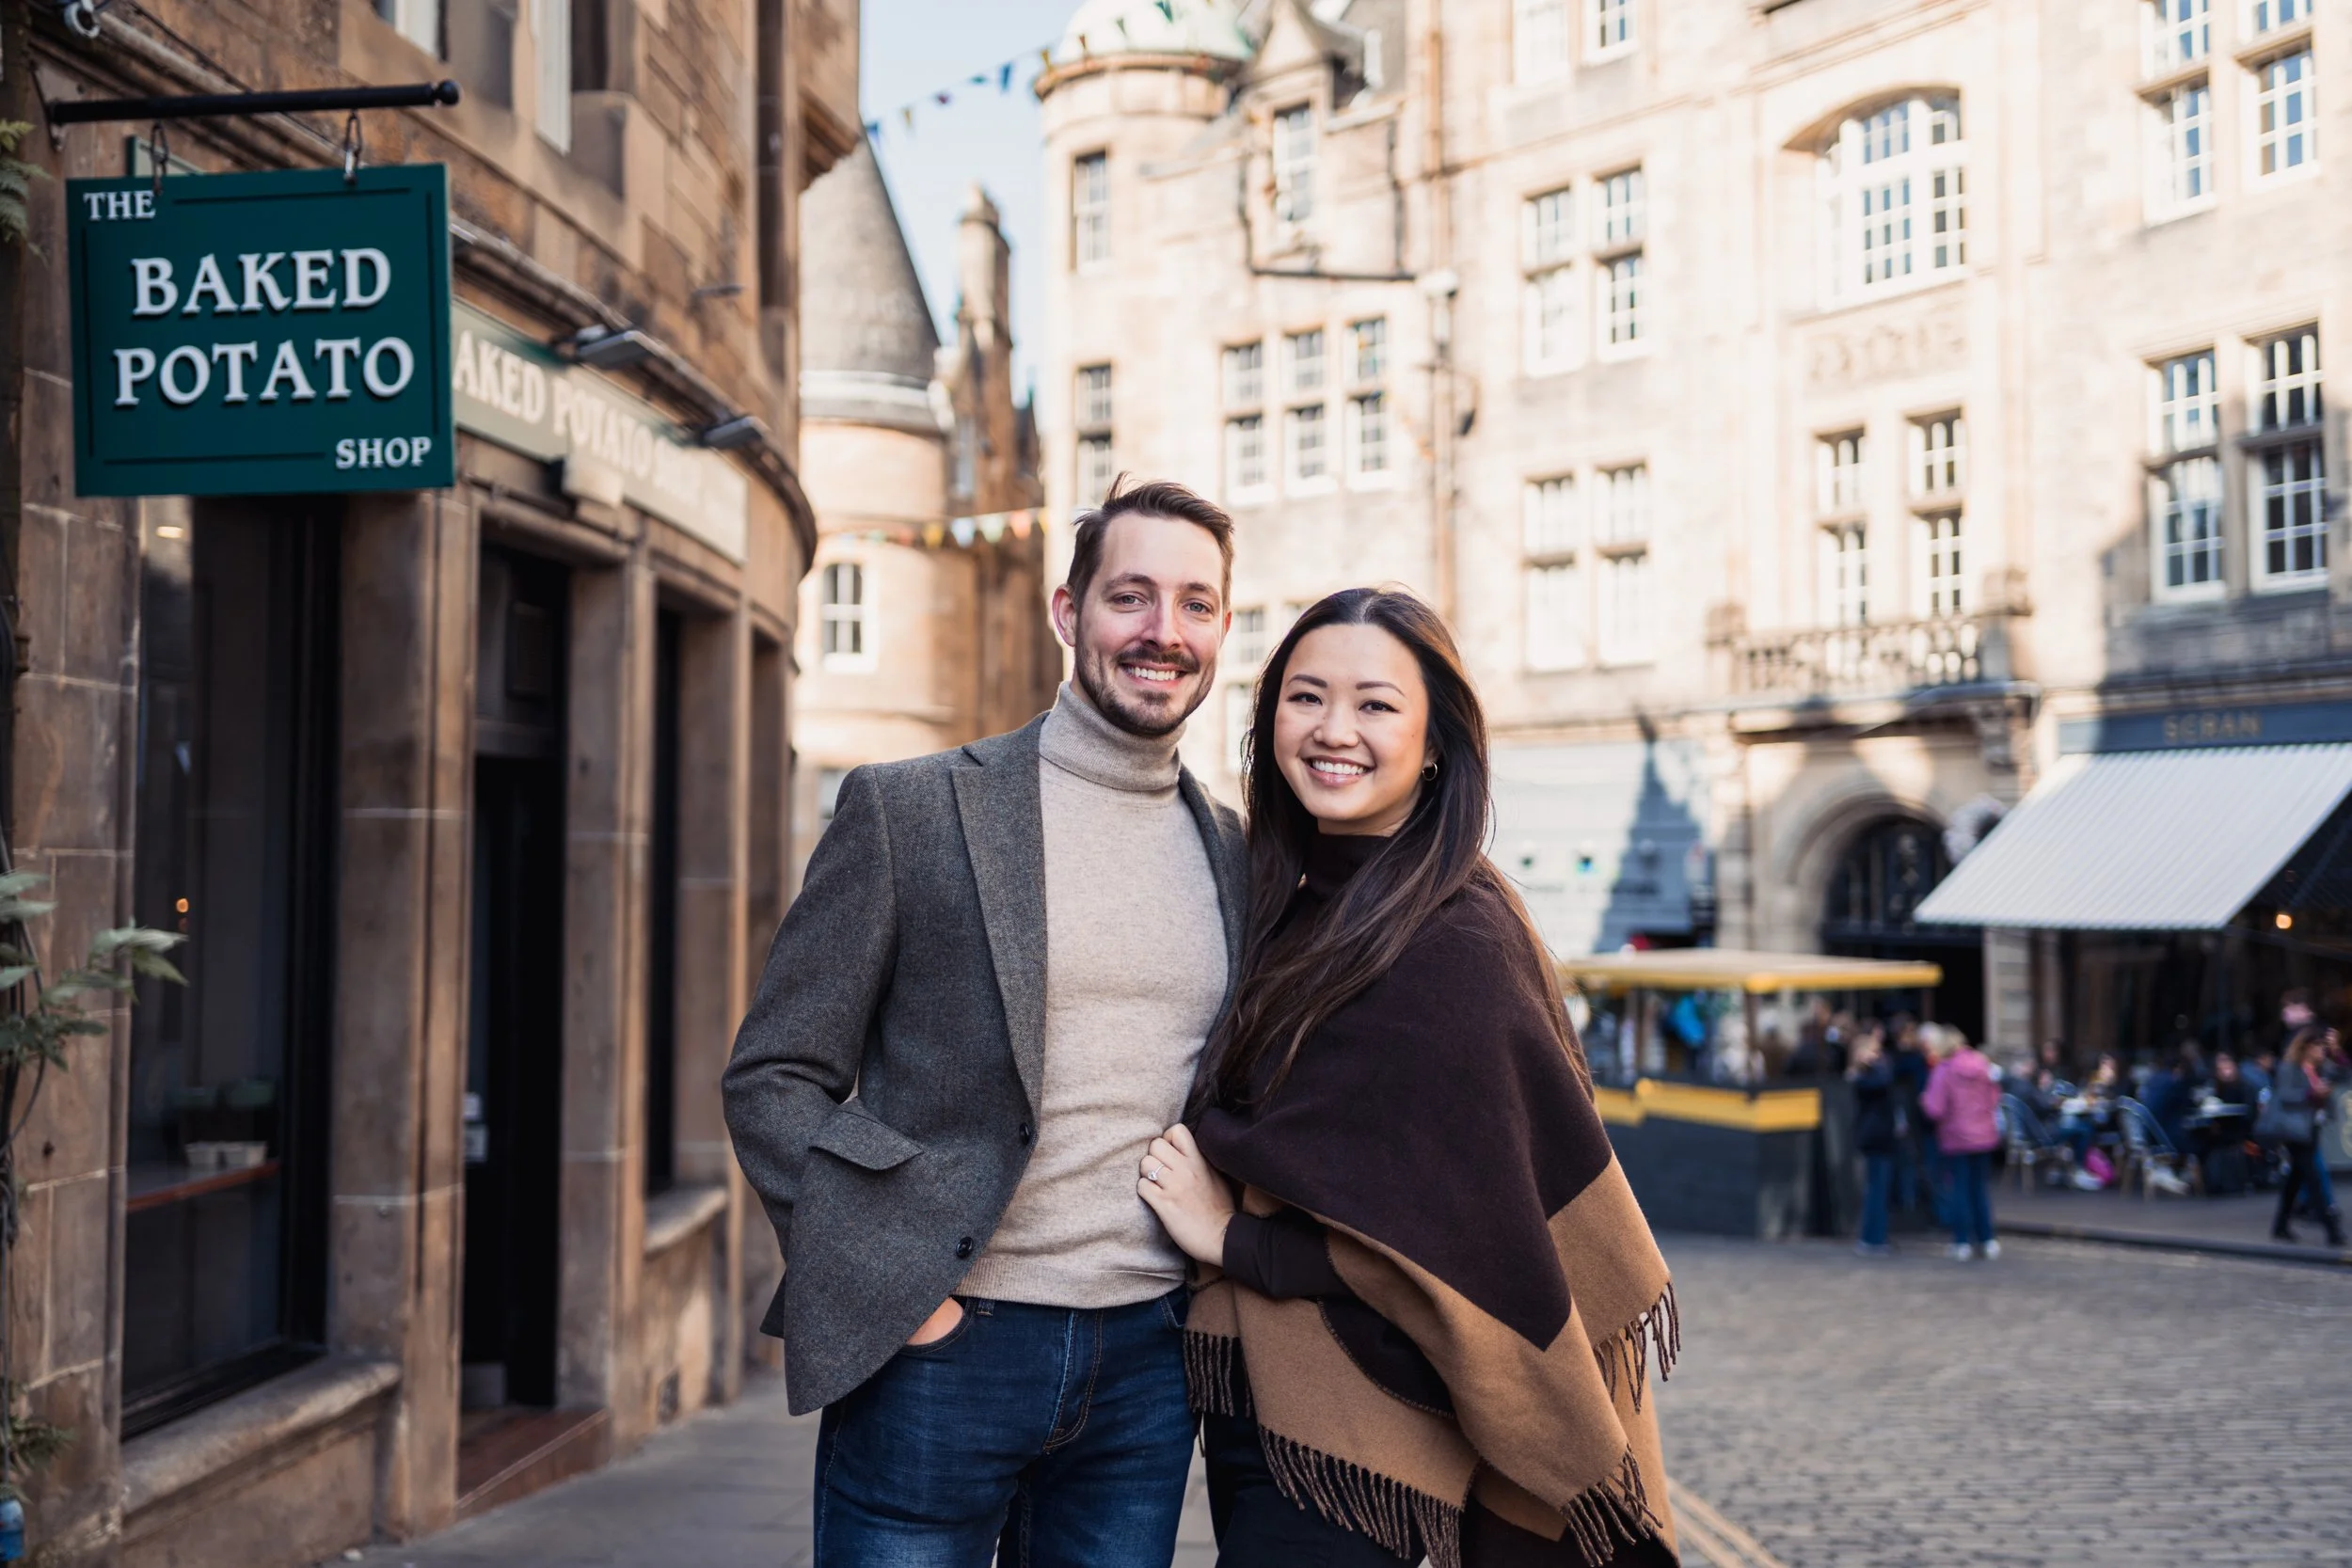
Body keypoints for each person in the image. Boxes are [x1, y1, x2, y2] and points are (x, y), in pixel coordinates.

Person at [721, 479, 1249, 1567]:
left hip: (1146, 1365)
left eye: (1195, 604)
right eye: (1131, 597)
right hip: (942, 1349)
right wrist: (897, 1290)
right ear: (1069, 611)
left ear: (1223, 629)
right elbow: (774, 1074)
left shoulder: (1238, 853)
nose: (1163, 632)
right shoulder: (911, 809)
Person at [1136, 589, 1680, 1568]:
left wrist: (1234, 1237)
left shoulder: (1455, 936)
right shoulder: (1287, 907)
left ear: (1435, 744)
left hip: (1374, 1421)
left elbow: (1458, 1244)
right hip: (1277, 1401)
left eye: (1376, 704)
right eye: (1305, 698)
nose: (1333, 730)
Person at [1920, 1024, 2003, 1260]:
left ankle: (1962, 1241)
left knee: (1959, 1190)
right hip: (1983, 1136)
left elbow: (1935, 1109)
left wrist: (1924, 1100)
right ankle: (1987, 1239)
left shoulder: (1943, 1070)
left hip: (1956, 1137)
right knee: (1979, 1189)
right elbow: (1994, 1097)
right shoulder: (1981, 1064)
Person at [2266, 1026, 2346, 1246]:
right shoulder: (2289, 1068)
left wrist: (2336, 1050)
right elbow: (2284, 1096)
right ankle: (2333, 1230)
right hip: (2294, 1131)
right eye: (2318, 1046)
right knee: (2313, 1177)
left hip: (2311, 1128)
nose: (2322, 1051)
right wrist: (2312, 1093)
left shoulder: (2320, 1068)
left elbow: (2343, 1072)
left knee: (2296, 1177)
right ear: (2306, 1047)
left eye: (2323, 1046)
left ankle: (2280, 1225)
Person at [1849, 1027, 1899, 1256]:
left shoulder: (1866, 1075)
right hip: (1875, 1137)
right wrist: (1876, 1063)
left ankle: (1875, 1236)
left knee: (1878, 1188)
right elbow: (1883, 1081)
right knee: (1876, 1190)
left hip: (1878, 1136)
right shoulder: (1865, 1077)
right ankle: (1872, 1237)